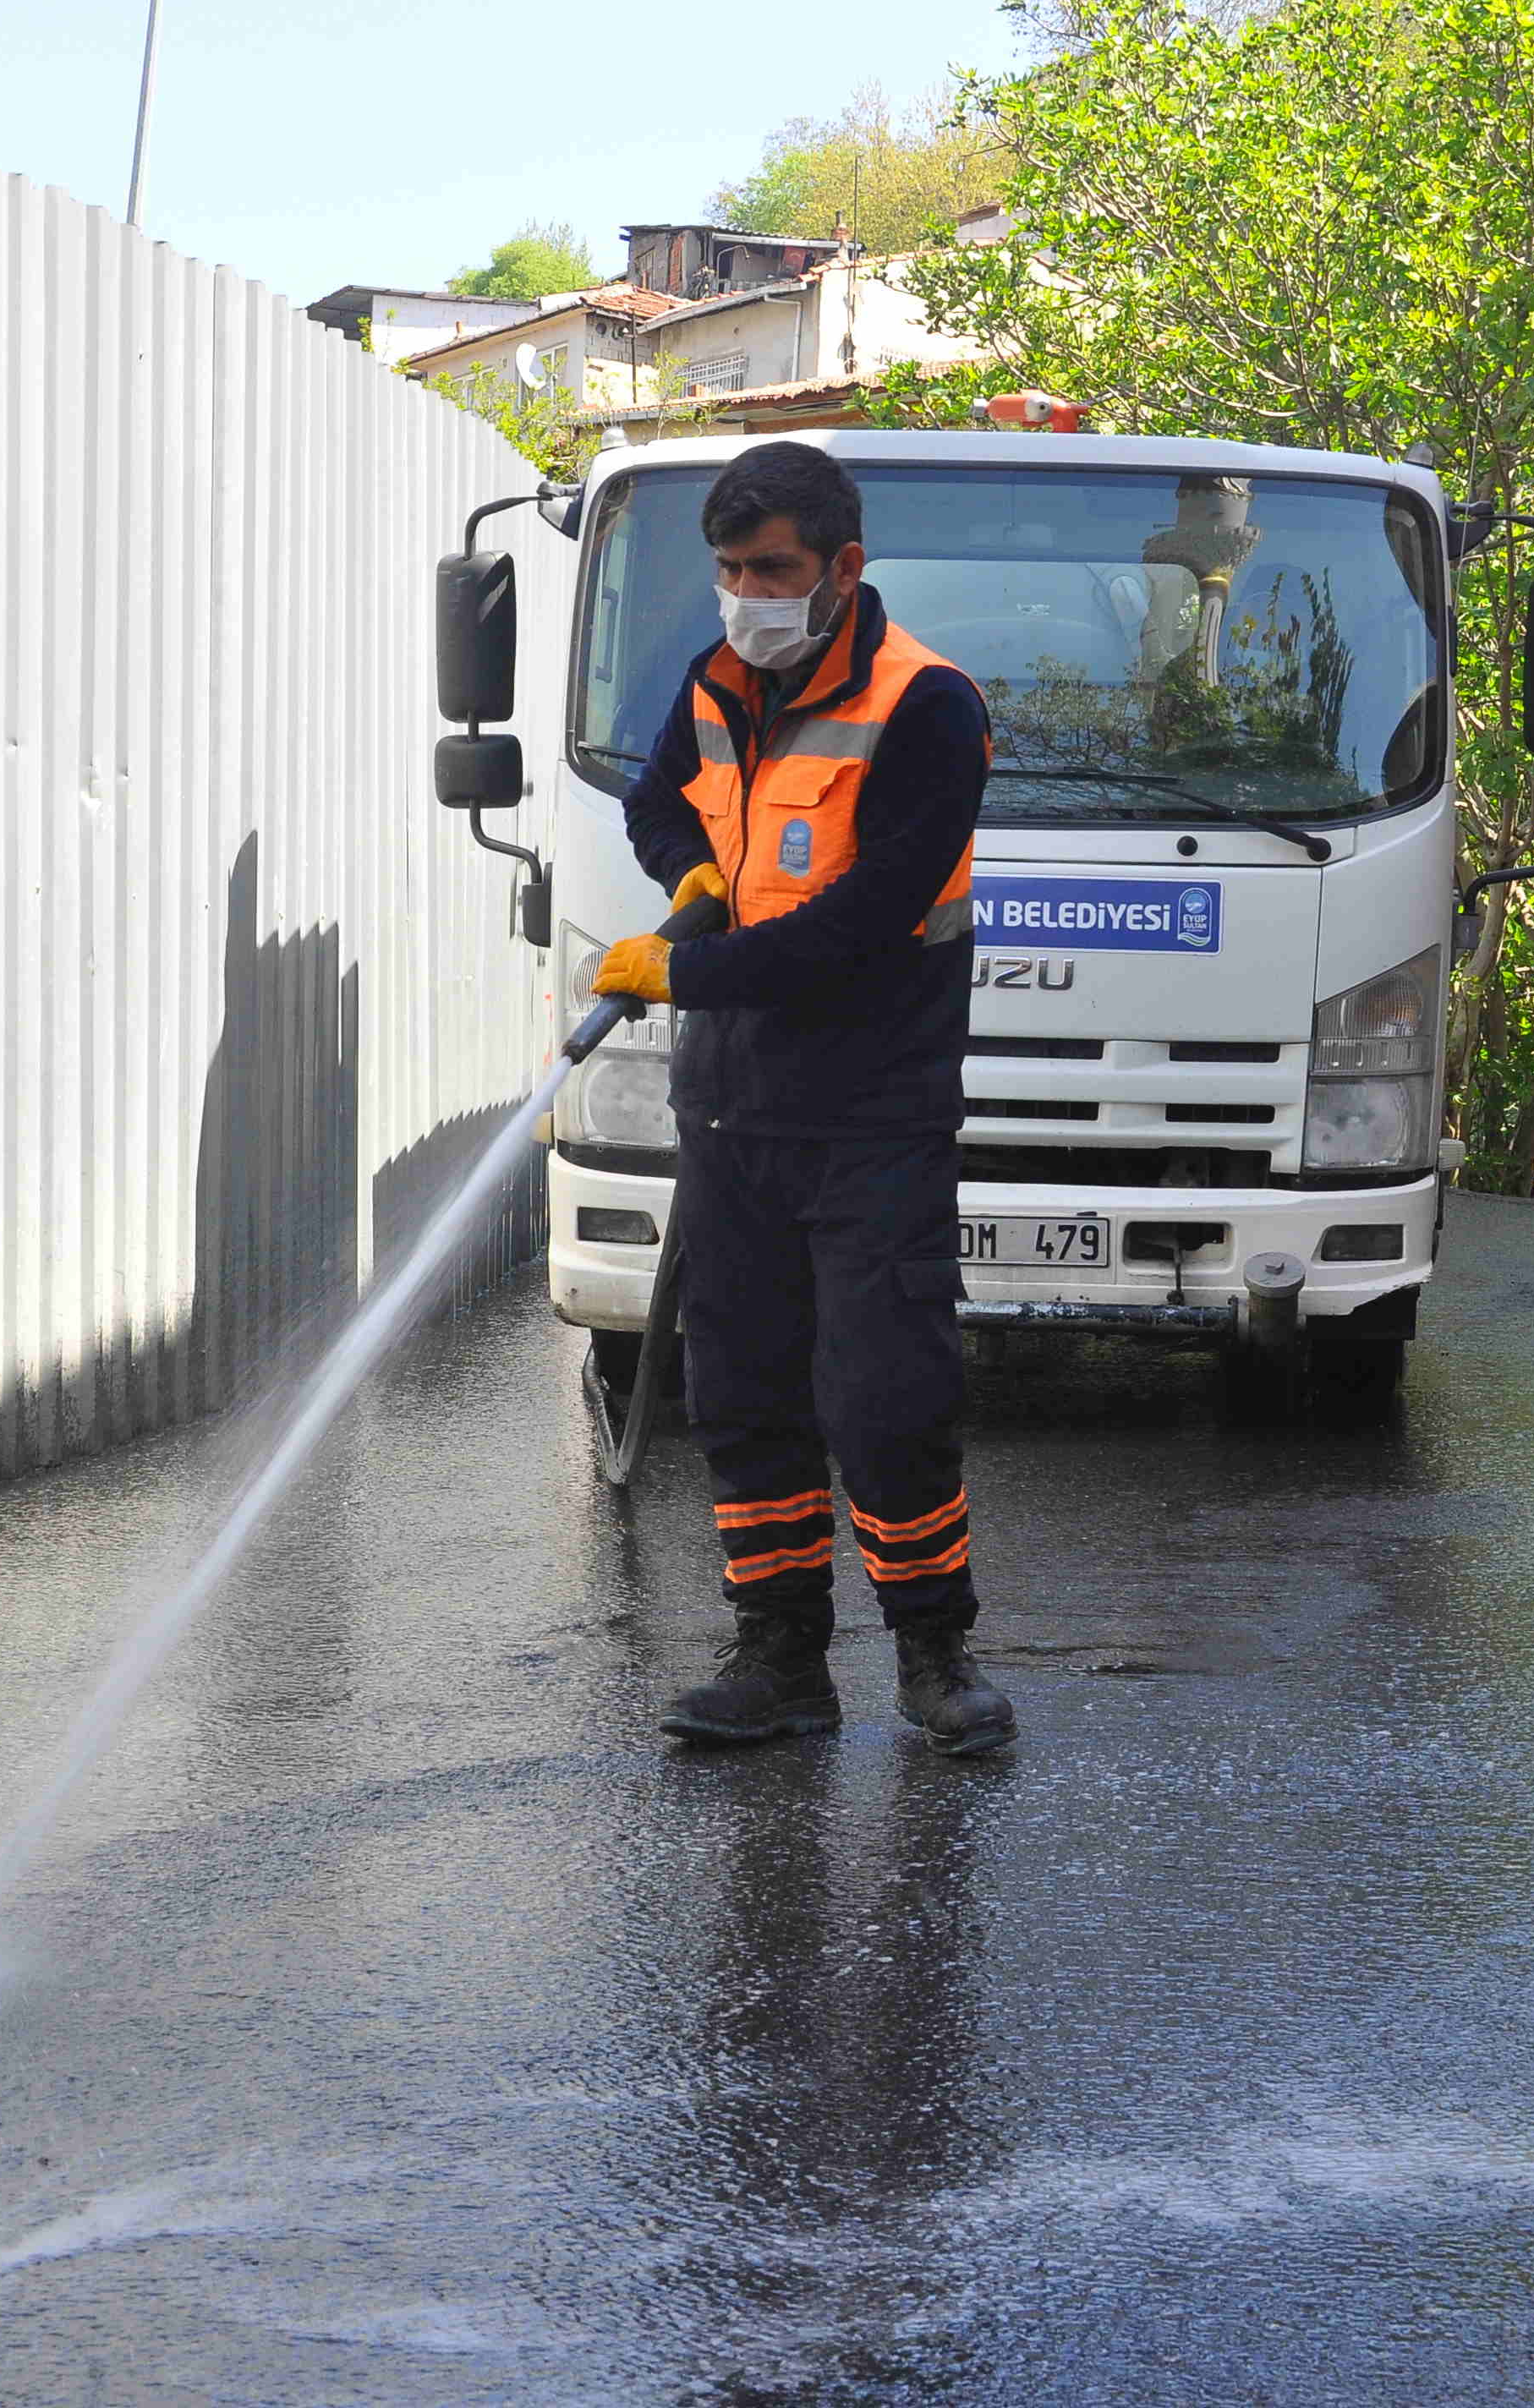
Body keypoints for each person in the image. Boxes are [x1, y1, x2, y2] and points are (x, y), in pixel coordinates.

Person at [586, 441, 1015, 1757]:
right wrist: (694, 877)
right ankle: (779, 1662)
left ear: (843, 570)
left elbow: (869, 917)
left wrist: (687, 964)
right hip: (730, 1110)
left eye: (768, 570)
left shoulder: (928, 705)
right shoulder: (718, 682)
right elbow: (663, 809)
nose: (743, 595)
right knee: (745, 1393)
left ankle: (935, 1657)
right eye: (726, 570)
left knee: (885, 1393)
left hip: (871, 1108)